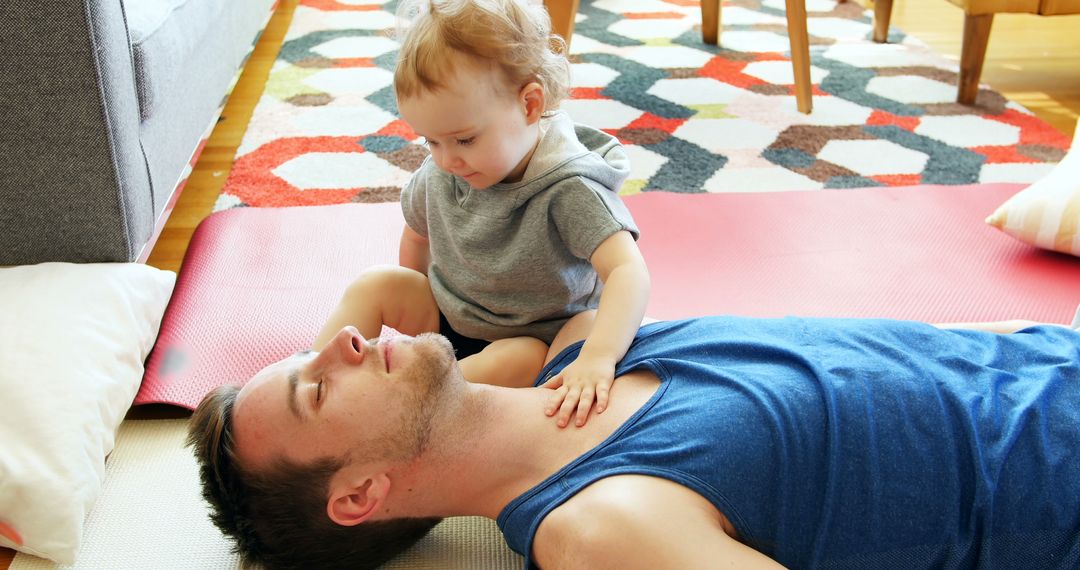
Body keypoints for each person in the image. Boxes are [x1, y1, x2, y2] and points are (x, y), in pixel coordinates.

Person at [189, 310, 1080, 570]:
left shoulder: (591, 346)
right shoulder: (601, 530)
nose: (342, 341)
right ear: (360, 495)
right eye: (316, 387)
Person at [317, 0, 650, 427]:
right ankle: (315, 378)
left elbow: (628, 271)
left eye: (464, 140)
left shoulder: (570, 189)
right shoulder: (443, 168)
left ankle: (396, 407)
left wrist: (599, 357)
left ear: (530, 105)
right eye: (430, 141)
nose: (445, 159)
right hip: (451, 318)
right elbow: (418, 236)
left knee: (521, 357)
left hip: (533, 337)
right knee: (376, 284)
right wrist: (424, 339)